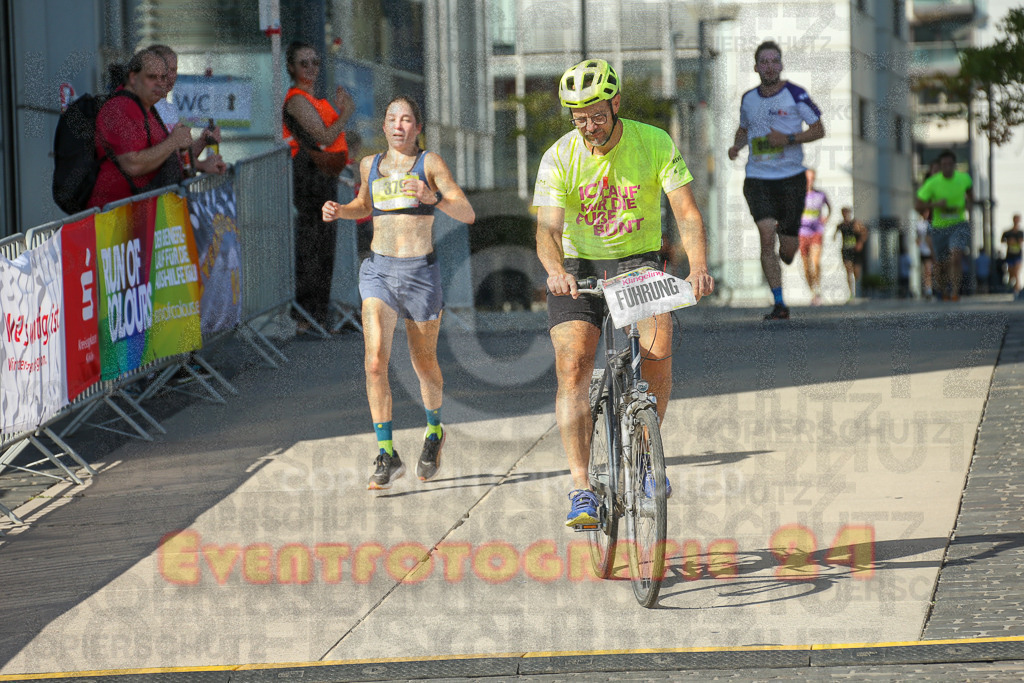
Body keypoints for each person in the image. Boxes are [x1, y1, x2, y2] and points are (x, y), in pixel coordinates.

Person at [532, 58, 714, 527]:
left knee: (658, 346)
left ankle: (649, 459)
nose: (589, 127)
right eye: (579, 119)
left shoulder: (653, 141)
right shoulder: (559, 156)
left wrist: (698, 267)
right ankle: (581, 488)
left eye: (597, 115)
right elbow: (547, 229)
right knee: (573, 362)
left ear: (616, 104)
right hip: (578, 265)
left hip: (637, 261)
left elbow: (687, 213)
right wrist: (555, 270)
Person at [321, 96, 475, 490]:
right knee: (375, 362)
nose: (398, 126)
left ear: (417, 127)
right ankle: (387, 454)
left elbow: (467, 212)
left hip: (420, 272)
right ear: (384, 125)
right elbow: (363, 205)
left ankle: (434, 430)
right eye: (392, 118)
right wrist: (341, 210)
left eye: (406, 119)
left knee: (424, 364)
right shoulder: (370, 165)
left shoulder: (430, 163)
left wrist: (432, 198)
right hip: (379, 272)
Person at [728, 40, 825, 320]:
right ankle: (779, 302)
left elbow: (818, 129)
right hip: (758, 178)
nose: (769, 67)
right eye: (764, 62)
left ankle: (787, 239)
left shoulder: (795, 94)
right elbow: (744, 129)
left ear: (781, 65)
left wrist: (788, 138)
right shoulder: (748, 98)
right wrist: (736, 147)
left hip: (791, 179)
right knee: (766, 234)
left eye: (774, 61)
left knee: (789, 252)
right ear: (756, 67)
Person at [283, 41, 354, 331]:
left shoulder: (315, 100)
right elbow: (324, 136)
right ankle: (305, 315)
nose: (311, 68)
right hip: (308, 176)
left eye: (315, 62)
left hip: (323, 174)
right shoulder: (297, 100)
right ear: (291, 68)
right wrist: (346, 113)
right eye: (304, 63)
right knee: (312, 243)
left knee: (324, 245)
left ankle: (317, 313)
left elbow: (330, 139)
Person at [87, 48, 194, 209]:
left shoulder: (146, 108)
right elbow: (133, 165)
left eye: (163, 77)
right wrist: (174, 141)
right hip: (117, 215)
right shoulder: (120, 108)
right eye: (152, 77)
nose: (160, 83)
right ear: (133, 77)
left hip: (142, 211)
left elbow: (159, 157)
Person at [147, 44, 225, 174]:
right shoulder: (146, 107)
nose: (171, 76)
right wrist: (202, 165)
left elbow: (182, 157)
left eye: (174, 70)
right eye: (166, 70)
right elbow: (158, 157)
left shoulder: (170, 109)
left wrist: (203, 140)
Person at [915, 149, 973, 302]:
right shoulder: (932, 183)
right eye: (944, 164)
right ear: (940, 166)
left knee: (956, 257)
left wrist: (969, 203)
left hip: (958, 224)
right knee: (940, 264)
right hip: (939, 227)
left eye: (950, 164)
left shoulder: (963, 178)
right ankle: (943, 290)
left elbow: (970, 191)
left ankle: (955, 292)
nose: (947, 167)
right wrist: (935, 204)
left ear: (955, 165)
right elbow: (917, 205)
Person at [798, 168, 831, 305]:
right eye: (807, 178)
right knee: (806, 266)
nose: (809, 181)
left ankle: (817, 289)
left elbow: (830, 207)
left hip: (816, 232)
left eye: (812, 178)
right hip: (802, 233)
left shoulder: (820, 195)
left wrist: (826, 217)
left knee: (815, 262)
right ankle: (812, 290)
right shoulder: (797, 194)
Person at [835, 207, 867, 300]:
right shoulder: (841, 225)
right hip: (846, 250)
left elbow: (864, 232)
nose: (845, 215)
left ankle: (858, 289)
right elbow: (835, 232)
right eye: (843, 213)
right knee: (848, 271)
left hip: (856, 251)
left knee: (856, 272)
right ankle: (851, 293)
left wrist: (860, 242)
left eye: (847, 213)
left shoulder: (856, 223)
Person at [1001, 213, 1023, 296]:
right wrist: (1008, 241)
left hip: (1017, 255)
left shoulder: (1020, 232)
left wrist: (1016, 241)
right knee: (1011, 274)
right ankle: (1012, 287)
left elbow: (1021, 241)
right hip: (1010, 255)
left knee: (1016, 272)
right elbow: (1002, 240)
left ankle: (1017, 291)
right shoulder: (1007, 232)